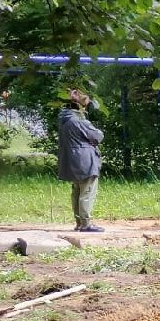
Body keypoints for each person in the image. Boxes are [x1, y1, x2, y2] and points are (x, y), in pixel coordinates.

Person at [56, 88, 105, 232]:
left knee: (77, 192)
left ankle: (79, 223)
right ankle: (86, 224)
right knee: (87, 192)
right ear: (81, 106)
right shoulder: (79, 121)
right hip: (85, 162)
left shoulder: (64, 119)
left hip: (71, 161)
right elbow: (98, 136)